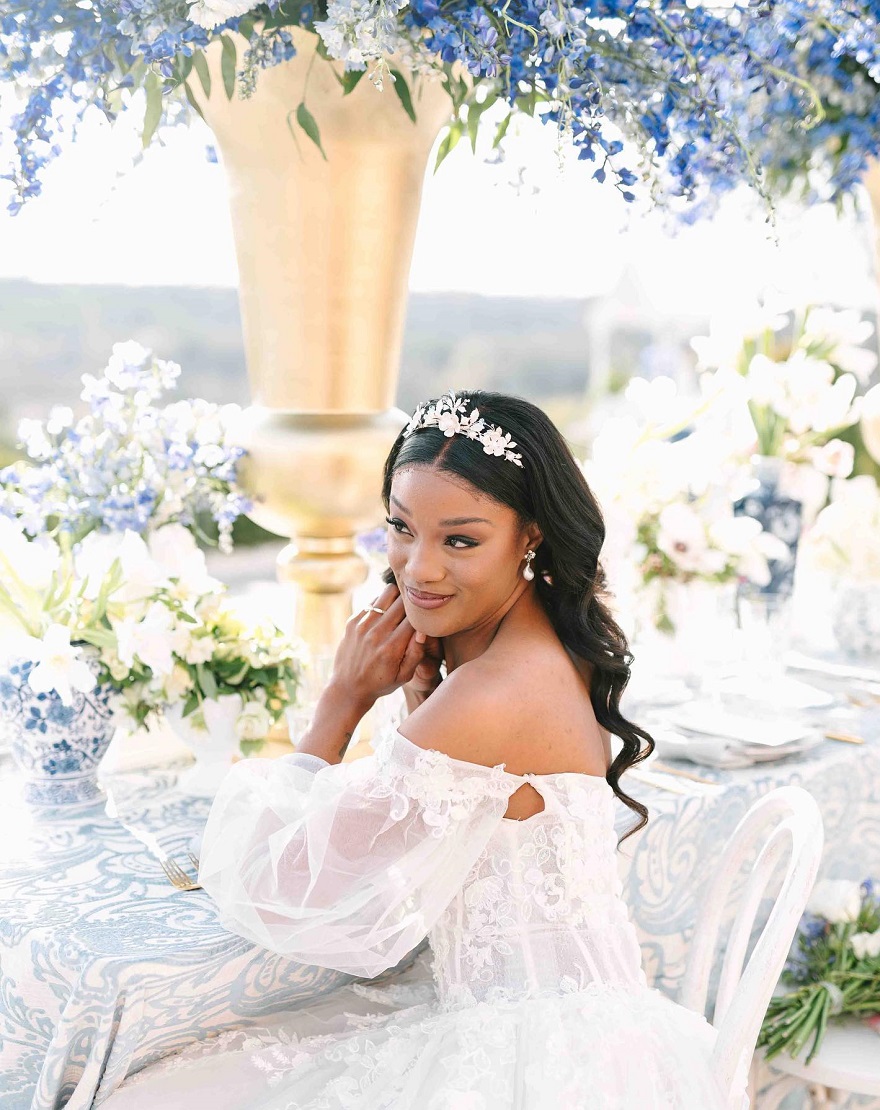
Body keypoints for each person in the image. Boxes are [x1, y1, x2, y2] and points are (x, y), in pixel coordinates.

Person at [106, 390, 744, 1109]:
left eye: (460, 541)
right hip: (590, 1024)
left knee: (149, 1094)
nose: (419, 569)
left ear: (530, 537)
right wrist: (423, 695)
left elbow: (289, 896)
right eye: (401, 528)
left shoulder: (492, 692)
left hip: (533, 1061)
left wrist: (342, 702)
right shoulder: (550, 642)